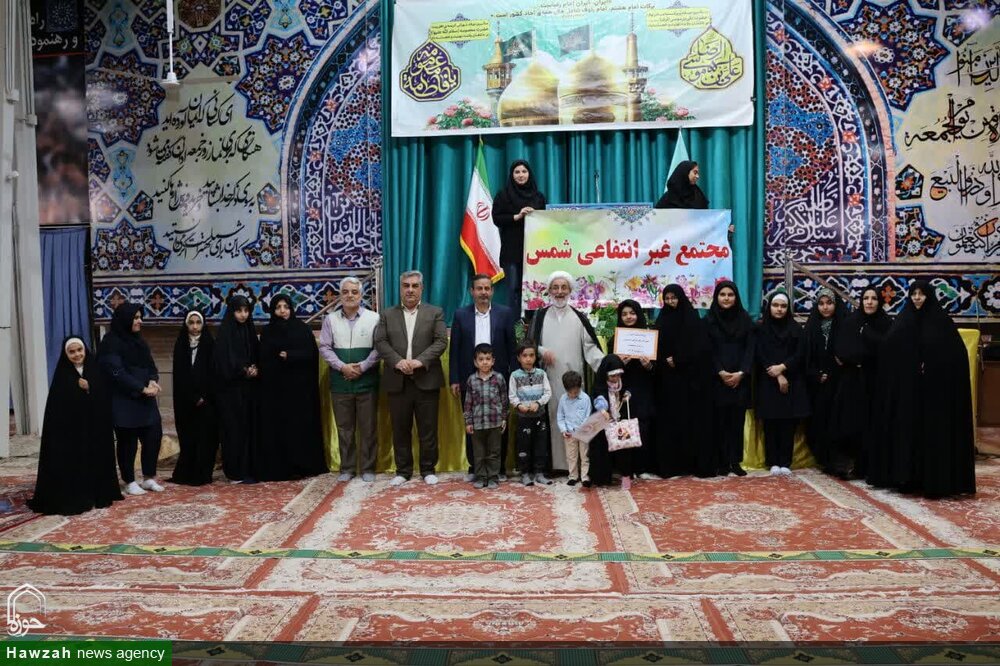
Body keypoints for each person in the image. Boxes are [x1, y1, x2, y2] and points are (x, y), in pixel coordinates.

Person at [867, 280, 975, 498]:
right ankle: (906, 477)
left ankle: (933, 480)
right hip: (908, 394)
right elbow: (890, 351)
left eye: (921, 294)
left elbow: (955, 356)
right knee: (908, 435)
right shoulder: (903, 321)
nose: (917, 298)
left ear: (929, 296)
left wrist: (932, 364)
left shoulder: (941, 322)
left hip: (933, 395)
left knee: (931, 436)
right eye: (914, 293)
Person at [28, 337, 123, 515]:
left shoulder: (95, 370)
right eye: (72, 352)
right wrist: (74, 386)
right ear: (66, 354)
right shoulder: (62, 375)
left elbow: (103, 397)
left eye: (79, 350)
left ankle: (98, 493)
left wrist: (89, 387)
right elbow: (57, 408)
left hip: (93, 429)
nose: (77, 354)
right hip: (72, 432)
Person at [374, 271, 448, 486]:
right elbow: (380, 342)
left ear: (421, 289)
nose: (410, 290)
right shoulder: (387, 314)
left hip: (426, 378)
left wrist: (419, 361)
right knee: (400, 428)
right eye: (406, 285)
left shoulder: (435, 312)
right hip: (397, 379)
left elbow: (441, 341)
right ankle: (403, 470)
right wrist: (398, 362)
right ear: (400, 288)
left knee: (428, 429)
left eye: (415, 286)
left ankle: (428, 469)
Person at [528, 271, 604, 473]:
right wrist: (541, 351)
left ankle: (577, 467)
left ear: (570, 291)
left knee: (576, 419)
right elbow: (529, 344)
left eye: (564, 287)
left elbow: (590, 348)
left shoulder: (579, 317)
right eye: (555, 287)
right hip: (549, 380)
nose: (559, 292)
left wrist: (607, 366)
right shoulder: (540, 316)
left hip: (575, 381)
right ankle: (556, 465)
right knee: (554, 418)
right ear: (549, 291)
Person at [449, 274, 516, 481]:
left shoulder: (505, 313)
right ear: (472, 291)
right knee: (473, 423)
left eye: (487, 288)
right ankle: (475, 467)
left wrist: (513, 377)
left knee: (499, 423)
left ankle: (499, 468)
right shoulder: (461, 315)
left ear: (492, 291)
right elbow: (455, 349)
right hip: (470, 379)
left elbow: (512, 348)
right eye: (479, 288)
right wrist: (454, 379)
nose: (483, 292)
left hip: (498, 379)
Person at [257, 294, 328, 481]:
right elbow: (263, 358)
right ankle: (281, 467)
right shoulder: (268, 331)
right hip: (276, 391)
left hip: (299, 390)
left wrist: (290, 355)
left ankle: (303, 465)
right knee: (279, 429)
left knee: (300, 427)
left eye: (286, 307)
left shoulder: (302, 329)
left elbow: (311, 354)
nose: (282, 311)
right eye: (278, 307)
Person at [319, 276, 381, 483]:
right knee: (345, 429)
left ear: (361, 295)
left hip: (367, 382)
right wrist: (342, 367)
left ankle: (368, 468)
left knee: (368, 428)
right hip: (341, 382)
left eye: (354, 292)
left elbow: (379, 348)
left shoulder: (374, 318)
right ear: (340, 295)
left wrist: (362, 367)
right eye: (345, 292)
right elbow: (325, 347)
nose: (350, 295)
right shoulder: (330, 319)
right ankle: (347, 468)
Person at [98, 303, 164, 495]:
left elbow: (151, 366)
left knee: (153, 435)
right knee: (128, 442)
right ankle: (129, 480)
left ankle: (148, 477)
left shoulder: (139, 341)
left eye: (140, 317)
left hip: (145, 399)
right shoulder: (111, 342)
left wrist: (153, 381)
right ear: (125, 319)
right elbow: (116, 372)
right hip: (124, 400)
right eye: (135, 318)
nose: (140, 321)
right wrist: (141, 388)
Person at [828, 286, 891, 479]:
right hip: (852, 381)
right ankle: (847, 464)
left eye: (874, 299)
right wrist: (861, 356)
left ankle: (870, 466)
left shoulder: (886, 323)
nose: (869, 302)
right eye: (866, 298)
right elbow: (841, 351)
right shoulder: (851, 322)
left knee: (872, 423)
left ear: (880, 302)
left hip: (874, 381)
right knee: (849, 422)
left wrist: (868, 338)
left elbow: (887, 351)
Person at [654, 285, 715, 478]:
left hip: (689, 381)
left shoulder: (692, 318)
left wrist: (679, 359)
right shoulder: (662, 319)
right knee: (670, 423)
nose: (671, 301)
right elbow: (655, 346)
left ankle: (692, 464)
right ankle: (672, 465)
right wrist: (665, 360)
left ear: (681, 298)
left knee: (690, 422)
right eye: (667, 298)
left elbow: (700, 348)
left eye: (674, 298)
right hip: (667, 381)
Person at [754, 292, 810, 476]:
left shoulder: (796, 329)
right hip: (768, 380)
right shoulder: (761, 329)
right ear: (769, 307)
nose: (779, 309)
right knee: (771, 422)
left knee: (788, 423)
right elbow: (760, 353)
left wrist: (783, 367)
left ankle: (785, 462)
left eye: (783, 306)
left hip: (792, 380)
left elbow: (800, 354)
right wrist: (777, 374)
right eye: (775, 305)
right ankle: (773, 461)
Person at [705, 281, 755, 476]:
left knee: (737, 422)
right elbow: (708, 350)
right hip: (717, 380)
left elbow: (750, 349)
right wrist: (720, 371)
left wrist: (741, 373)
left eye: (730, 295)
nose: (726, 298)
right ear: (716, 297)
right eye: (722, 294)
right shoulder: (709, 321)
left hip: (739, 380)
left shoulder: (745, 320)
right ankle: (722, 462)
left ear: (736, 297)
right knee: (719, 422)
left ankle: (735, 462)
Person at [213, 294, 260, 484]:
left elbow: (256, 354)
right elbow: (223, 363)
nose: (243, 315)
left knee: (248, 428)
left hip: (248, 390)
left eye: (246, 311)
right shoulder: (225, 334)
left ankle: (248, 468)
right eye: (239, 311)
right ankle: (234, 471)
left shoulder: (249, 331)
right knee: (232, 430)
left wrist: (255, 368)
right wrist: (242, 371)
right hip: (230, 391)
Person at [169, 311, 218, 486]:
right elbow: (180, 376)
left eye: (198, 322)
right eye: (192, 323)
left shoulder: (210, 344)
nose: (195, 327)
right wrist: (192, 396)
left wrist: (203, 396)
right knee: (188, 436)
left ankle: (202, 474)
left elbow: (213, 373)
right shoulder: (181, 344)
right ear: (186, 324)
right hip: (186, 401)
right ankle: (186, 473)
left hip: (206, 401)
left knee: (205, 437)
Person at [492, 159, 547, 313]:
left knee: (535, 289)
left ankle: (532, 322)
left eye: (524, 171)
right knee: (513, 289)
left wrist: (536, 215)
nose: (521, 175)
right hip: (512, 251)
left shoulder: (538, 197)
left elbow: (546, 220)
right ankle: (514, 324)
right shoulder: (503, 195)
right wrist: (517, 216)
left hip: (535, 251)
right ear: (512, 175)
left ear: (529, 174)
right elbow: (497, 218)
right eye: (517, 172)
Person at [612, 300, 657, 479]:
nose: (628, 317)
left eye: (632, 313)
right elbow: (609, 370)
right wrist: (619, 364)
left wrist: (648, 366)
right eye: (624, 314)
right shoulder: (614, 340)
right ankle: (626, 469)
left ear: (638, 314)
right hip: (623, 390)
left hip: (644, 390)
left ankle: (642, 467)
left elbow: (657, 371)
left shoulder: (648, 338)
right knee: (625, 426)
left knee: (643, 426)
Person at [803, 288, 846, 473]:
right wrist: (816, 374)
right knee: (819, 421)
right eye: (821, 303)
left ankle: (838, 460)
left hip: (840, 383)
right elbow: (805, 356)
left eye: (829, 303)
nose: (825, 307)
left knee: (838, 420)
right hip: (818, 384)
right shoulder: (811, 327)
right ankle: (824, 459)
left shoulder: (844, 325)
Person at [463, 343, 509, 489]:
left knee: (494, 452)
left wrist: (504, 418)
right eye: (481, 359)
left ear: (493, 361)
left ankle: (493, 477)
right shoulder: (471, 380)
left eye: (488, 359)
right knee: (479, 453)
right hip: (477, 424)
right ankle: (481, 477)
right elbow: (468, 403)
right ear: (475, 362)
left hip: (495, 423)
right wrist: (468, 422)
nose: (484, 362)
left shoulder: (499, 378)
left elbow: (504, 400)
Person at [589, 355, 637, 489]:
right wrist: (602, 409)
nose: (616, 379)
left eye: (618, 375)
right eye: (612, 376)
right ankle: (602, 477)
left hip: (620, 420)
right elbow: (598, 397)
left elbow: (628, 388)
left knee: (624, 448)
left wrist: (627, 394)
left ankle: (626, 476)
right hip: (605, 421)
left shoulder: (621, 382)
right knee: (601, 448)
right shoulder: (600, 384)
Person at [508, 340, 553, 486]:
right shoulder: (514, 375)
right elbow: (512, 395)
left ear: (535, 357)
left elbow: (548, 393)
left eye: (531, 355)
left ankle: (539, 472)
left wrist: (538, 403)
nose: (528, 359)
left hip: (539, 416)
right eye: (524, 356)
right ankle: (525, 473)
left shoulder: (541, 373)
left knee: (540, 445)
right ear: (518, 358)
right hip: (523, 418)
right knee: (524, 445)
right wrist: (519, 405)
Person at [557, 370, 591, 487]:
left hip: (583, 433)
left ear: (580, 387)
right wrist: (563, 430)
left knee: (585, 455)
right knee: (571, 456)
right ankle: (573, 476)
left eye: (576, 392)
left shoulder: (585, 399)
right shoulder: (563, 399)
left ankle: (585, 477)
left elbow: (587, 416)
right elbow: (560, 416)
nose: (573, 395)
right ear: (566, 389)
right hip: (569, 433)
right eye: (570, 392)